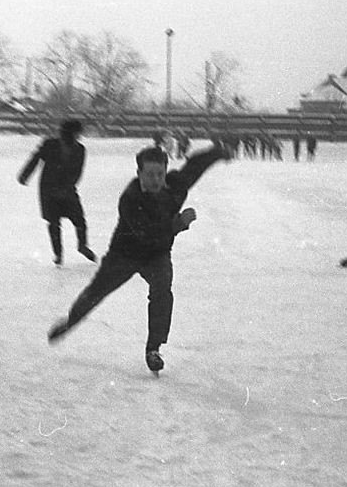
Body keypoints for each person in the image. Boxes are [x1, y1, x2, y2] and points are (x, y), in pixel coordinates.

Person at [47, 143, 231, 374]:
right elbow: (147, 232)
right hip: (124, 255)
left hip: (157, 255)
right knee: (96, 292)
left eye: (160, 174)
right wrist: (179, 223)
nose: (155, 180)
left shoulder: (174, 186)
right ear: (139, 174)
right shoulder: (130, 198)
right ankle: (71, 321)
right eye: (149, 174)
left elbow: (194, 167)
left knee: (162, 290)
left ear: (166, 172)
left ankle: (153, 349)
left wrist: (217, 152)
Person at [18, 118, 96, 266]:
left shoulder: (80, 149)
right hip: (49, 190)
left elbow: (78, 171)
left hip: (67, 190)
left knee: (79, 219)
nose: (79, 136)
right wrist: (25, 175)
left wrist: (68, 186)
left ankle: (82, 246)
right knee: (53, 223)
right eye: (77, 133)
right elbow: (35, 159)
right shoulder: (50, 144)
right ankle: (58, 255)